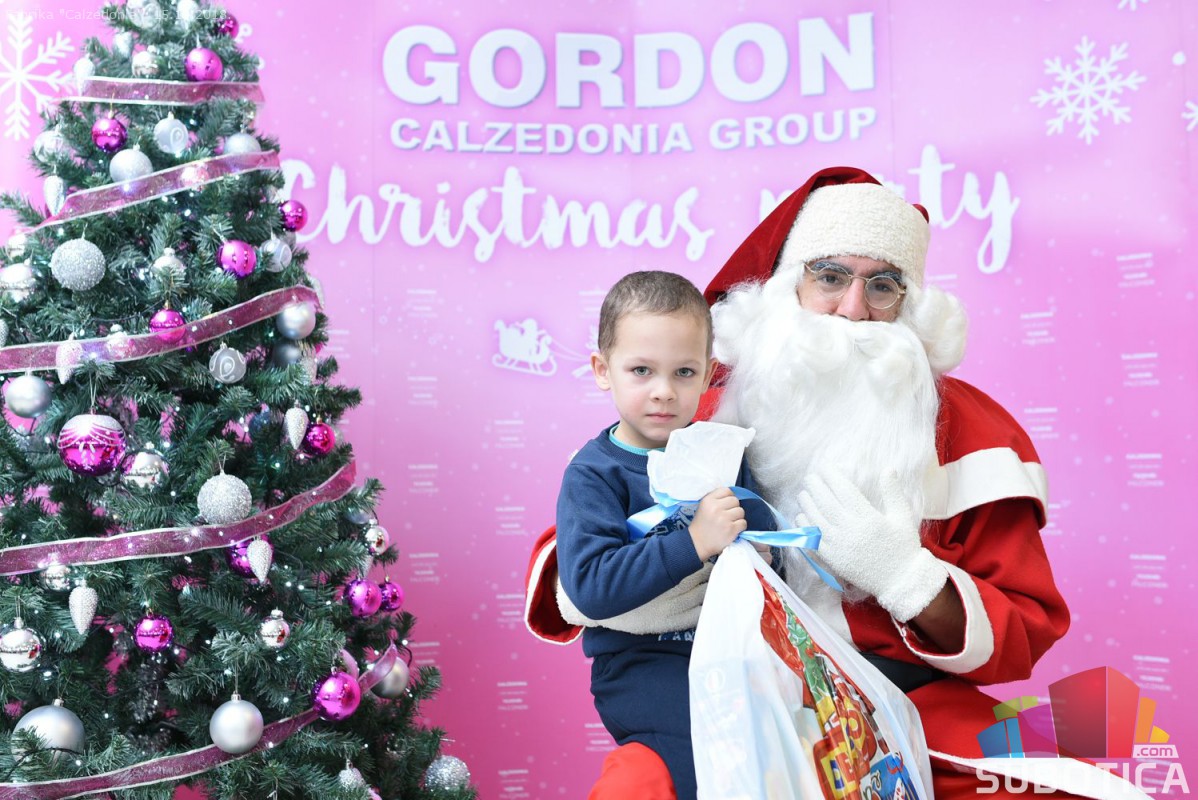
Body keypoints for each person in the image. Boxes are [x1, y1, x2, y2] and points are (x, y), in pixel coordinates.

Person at [527, 167, 1077, 798]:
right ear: (788, 285)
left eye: (883, 286)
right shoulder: (704, 403)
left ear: (911, 305)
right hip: (732, 683)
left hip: (905, 697)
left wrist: (906, 577)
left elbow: (1023, 628)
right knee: (640, 786)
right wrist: (640, 592)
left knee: (1061, 783)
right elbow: (585, 535)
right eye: (830, 277)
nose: (853, 309)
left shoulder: (974, 434)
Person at [552, 270, 778, 800]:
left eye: (683, 372)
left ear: (707, 375)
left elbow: (765, 551)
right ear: (603, 370)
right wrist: (694, 541)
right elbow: (590, 588)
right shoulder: (594, 474)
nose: (663, 391)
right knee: (704, 762)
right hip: (643, 664)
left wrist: (758, 532)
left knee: (777, 753)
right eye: (641, 370)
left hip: (731, 650)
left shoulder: (723, 453)